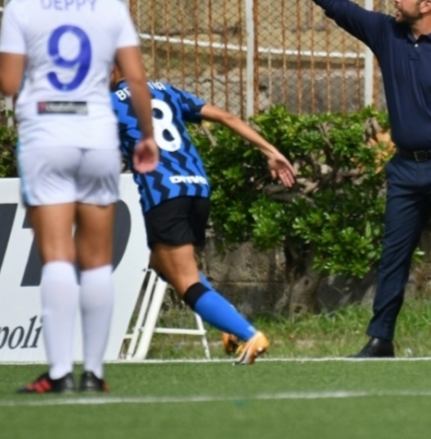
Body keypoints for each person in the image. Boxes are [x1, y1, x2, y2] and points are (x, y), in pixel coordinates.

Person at [262, 0, 431, 358]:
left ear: (426, 4)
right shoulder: (386, 34)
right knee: (393, 255)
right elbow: (341, 6)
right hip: (406, 169)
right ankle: (380, 339)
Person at [0, 0, 158, 394]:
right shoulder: (109, 6)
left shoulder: (22, 6)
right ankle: (96, 374)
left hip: (47, 136)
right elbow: (137, 81)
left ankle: (60, 372)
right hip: (97, 138)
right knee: (96, 261)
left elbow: (8, 83)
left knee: (58, 258)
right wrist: (146, 135)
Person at [111, 70, 296, 364]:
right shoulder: (164, 90)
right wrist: (270, 151)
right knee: (162, 263)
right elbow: (228, 118)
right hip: (198, 189)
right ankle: (229, 326)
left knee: (185, 282)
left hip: (164, 193)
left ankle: (248, 334)